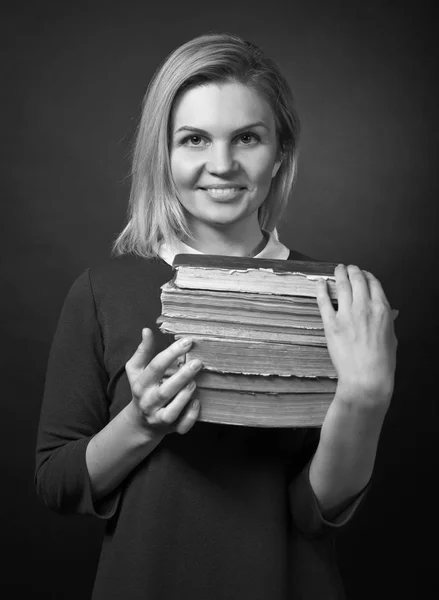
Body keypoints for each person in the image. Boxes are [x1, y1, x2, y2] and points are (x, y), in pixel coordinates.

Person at [35, 32, 398, 600]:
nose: (221, 165)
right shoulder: (101, 292)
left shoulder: (338, 300)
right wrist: (141, 424)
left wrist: (366, 398)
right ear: (165, 153)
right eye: (195, 139)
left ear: (279, 152)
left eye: (247, 138)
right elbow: (57, 484)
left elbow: (315, 512)